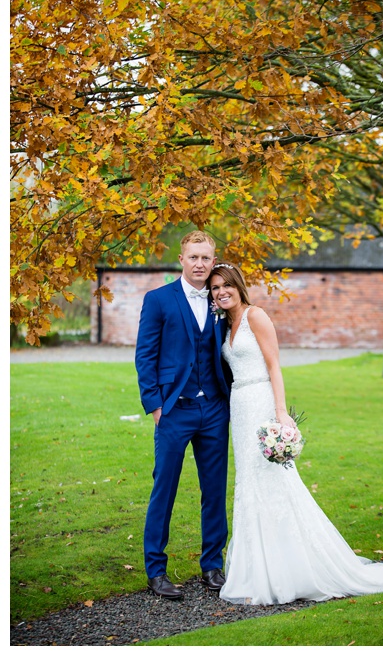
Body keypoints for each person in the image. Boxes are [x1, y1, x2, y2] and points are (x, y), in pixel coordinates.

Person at [207, 263, 383, 605]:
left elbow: (274, 365)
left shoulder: (255, 316)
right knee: (249, 483)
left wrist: (280, 414)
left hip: (261, 401)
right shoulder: (223, 324)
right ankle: (257, 567)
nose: (220, 292)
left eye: (225, 286)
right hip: (239, 407)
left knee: (274, 482)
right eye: (215, 288)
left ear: (237, 286)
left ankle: (292, 569)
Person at [135, 230, 232, 600]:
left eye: (206, 258)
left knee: (214, 490)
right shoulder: (159, 300)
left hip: (214, 411)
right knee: (165, 489)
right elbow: (145, 356)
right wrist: (156, 406)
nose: (200, 264)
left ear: (214, 259)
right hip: (174, 411)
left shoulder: (221, 298)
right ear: (181, 259)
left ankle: (212, 565)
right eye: (193, 257)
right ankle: (155, 571)